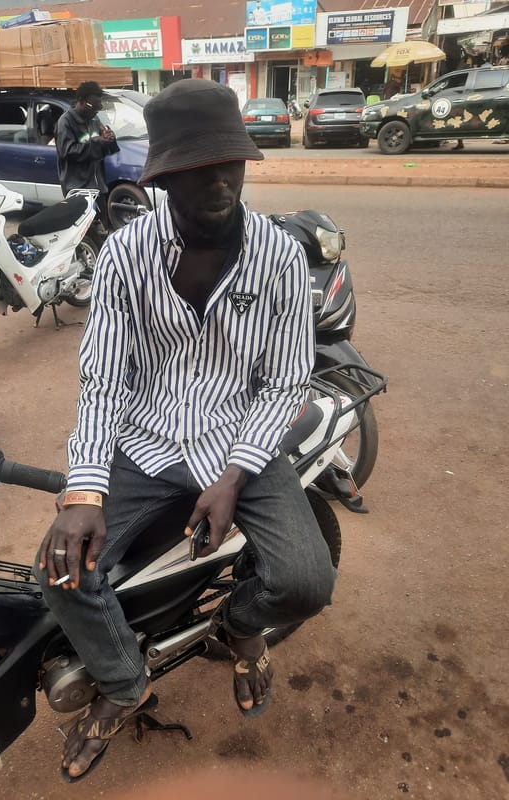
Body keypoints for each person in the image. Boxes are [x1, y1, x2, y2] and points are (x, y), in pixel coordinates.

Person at [35, 78, 336, 782]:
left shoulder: (281, 257)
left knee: (306, 580)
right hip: (145, 439)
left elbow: (286, 382)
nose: (219, 182)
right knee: (61, 571)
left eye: (230, 163)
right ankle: (123, 684)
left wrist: (233, 476)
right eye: (198, 170)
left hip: (241, 438)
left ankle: (241, 625)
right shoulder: (124, 255)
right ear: (164, 177)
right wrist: (83, 493)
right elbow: (103, 379)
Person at [55, 80, 119, 232]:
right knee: (84, 232)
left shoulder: (94, 120)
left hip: (98, 187)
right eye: (94, 106)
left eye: (99, 107)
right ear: (81, 102)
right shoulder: (66, 122)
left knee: (103, 228)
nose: (97, 110)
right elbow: (68, 151)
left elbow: (104, 150)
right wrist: (97, 142)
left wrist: (109, 140)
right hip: (78, 189)